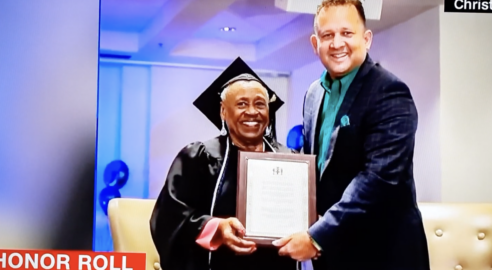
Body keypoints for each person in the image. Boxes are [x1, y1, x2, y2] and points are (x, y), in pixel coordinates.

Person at [273, 1, 431, 269]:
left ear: (366, 39)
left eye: (347, 33)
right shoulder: (313, 94)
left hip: (383, 253)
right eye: (327, 35)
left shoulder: (389, 91)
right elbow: (319, 167)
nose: (337, 43)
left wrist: (315, 236)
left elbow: (379, 179)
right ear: (315, 43)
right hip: (334, 253)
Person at [150, 57, 297, 270]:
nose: (252, 112)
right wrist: (216, 228)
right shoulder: (199, 158)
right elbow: (169, 217)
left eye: (259, 104)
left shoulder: (290, 160)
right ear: (223, 111)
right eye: (241, 104)